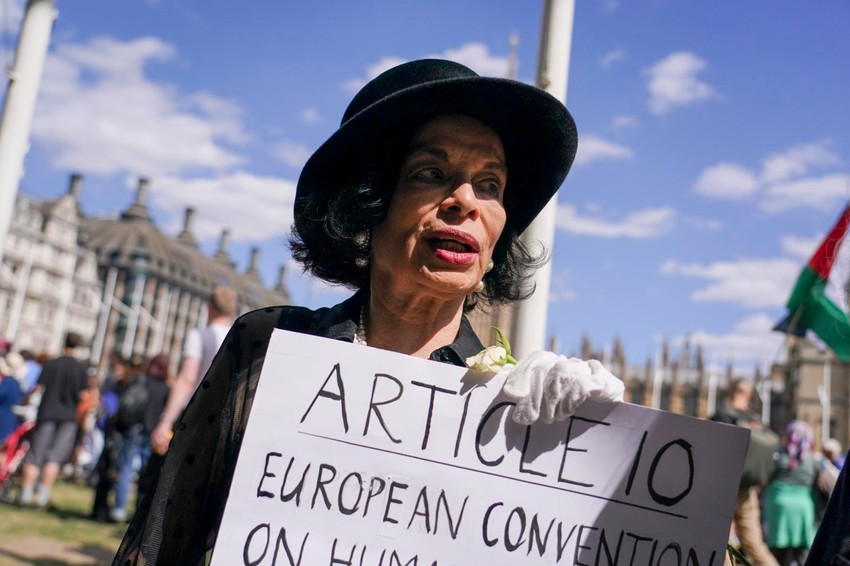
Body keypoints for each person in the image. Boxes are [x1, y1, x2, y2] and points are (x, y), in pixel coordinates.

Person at [113, 58, 624, 565]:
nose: (466, 200)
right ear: (368, 205)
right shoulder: (267, 345)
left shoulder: (512, 405)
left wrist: (579, 442)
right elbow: (166, 538)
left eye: (491, 185)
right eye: (432, 173)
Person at [150, 286, 237, 455]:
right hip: (225, 421)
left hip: (195, 417)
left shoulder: (200, 336)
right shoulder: (240, 341)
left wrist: (166, 421)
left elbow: (187, 380)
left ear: (209, 307)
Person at [711, 378, 779, 566]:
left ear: (730, 391)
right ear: (749, 394)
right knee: (755, 545)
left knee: (719, 542)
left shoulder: (720, 416)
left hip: (721, 490)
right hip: (748, 491)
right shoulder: (757, 422)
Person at [18, 332, 90, 508]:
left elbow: (37, 387)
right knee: (54, 458)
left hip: (47, 413)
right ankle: (42, 498)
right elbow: (84, 396)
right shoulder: (80, 369)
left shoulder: (50, 363)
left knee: (35, 455)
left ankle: (25, 496)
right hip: (68, 417)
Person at [764, 420, 817, 565]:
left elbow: (765, 478)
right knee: (802, 554)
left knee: (778, 554)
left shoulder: (778, 456)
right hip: (803, 507)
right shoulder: (812, 459)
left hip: (779, 506)